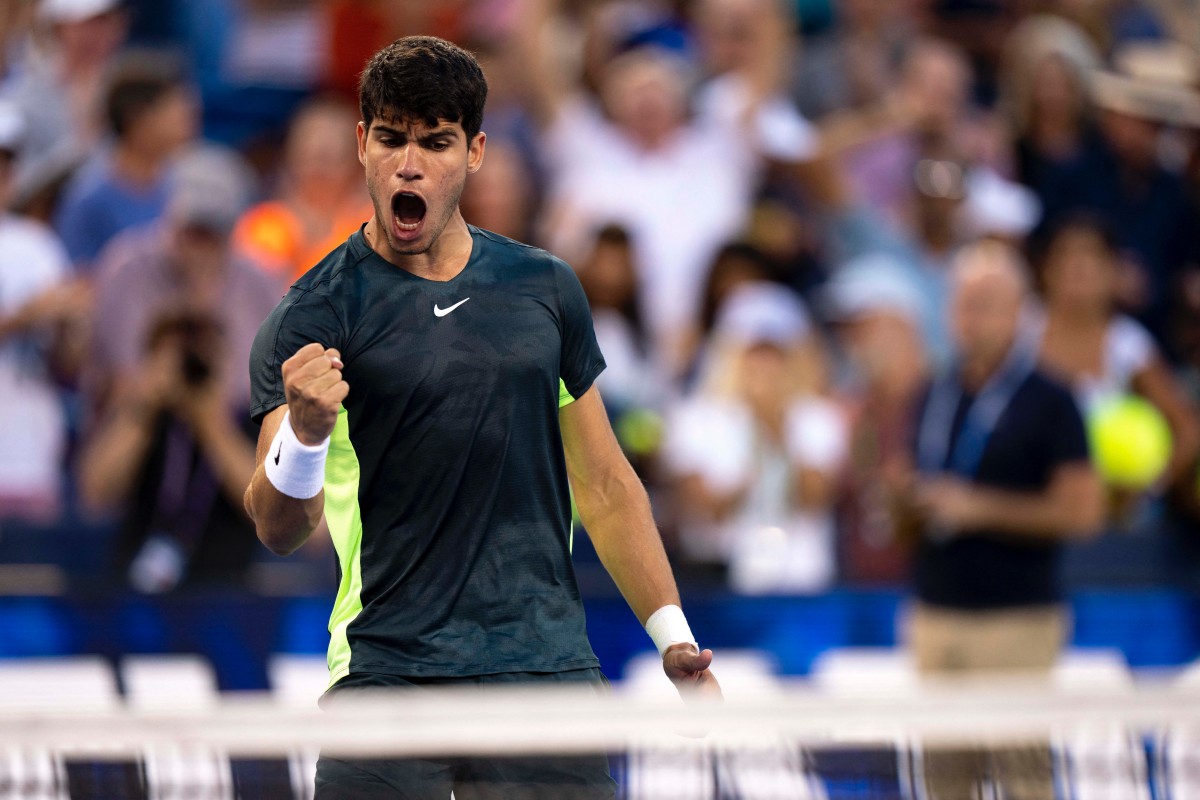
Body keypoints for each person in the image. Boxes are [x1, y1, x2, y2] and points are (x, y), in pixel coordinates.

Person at [244, 37, 720, 799]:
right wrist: (303, 434)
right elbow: (277, 527)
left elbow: (603, 485)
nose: (411, 164)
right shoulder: (312, 312)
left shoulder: (544, 290)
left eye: (436, 142)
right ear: (363, 145)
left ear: (474, 153)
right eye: (393, 139)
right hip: (385, 674)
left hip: (544, 670)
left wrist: (675, 640)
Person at [890, 240, 1104, 800]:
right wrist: (902, 503)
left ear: (1018, 310)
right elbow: (914, 487)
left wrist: (976, 507)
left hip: (1018, 622)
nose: (970, 314)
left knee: (1024, 777)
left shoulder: (1052, 399)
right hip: (936, 614)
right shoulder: (933, 391)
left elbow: (1082, 513)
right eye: (961, 301)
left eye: (985, 300)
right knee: (943, 782)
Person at [78, 147, 276, 592]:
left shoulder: (260, 286)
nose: (198, 247)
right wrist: (145, 402)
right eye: (191, 230)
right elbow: (96, 493)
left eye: (212, 234)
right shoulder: (127, 269)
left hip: (232, 571)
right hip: (134, 554)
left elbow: (272, 512)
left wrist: (209, 419)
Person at [662, 281, 845, 594]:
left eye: (776, 355)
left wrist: (776, 425)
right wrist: (755, 435)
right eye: (752, 354)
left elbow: (815, 498)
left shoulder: (819, 417)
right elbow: (704, 510)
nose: (764, 368)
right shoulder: (693, 418)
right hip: (720, 587)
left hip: (804, 585)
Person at [1032, 215, 1200, 512]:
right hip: (1032, 507)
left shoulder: (1130, 344)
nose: (1079, 265)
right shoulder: (1019, 335)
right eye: (1067, 254)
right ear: (1046, 269)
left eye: (1091, 254)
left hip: (1113, 526)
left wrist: (1147, 489)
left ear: (1113, 272)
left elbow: (1188, 429)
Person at [52, 49, 198, 270]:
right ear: (138, 116)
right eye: (176, 108)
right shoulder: (89, 199)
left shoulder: (187, 186)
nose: (188, 119)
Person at [0, 100, 74, 523]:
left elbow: (66, 364)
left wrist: (72, 323)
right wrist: (25, 316)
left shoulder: (37, 245)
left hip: (28, 453)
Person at [233, 96, 371, 286]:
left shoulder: (370, 226)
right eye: (313, 156)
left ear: (358, 163)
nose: (321, 170)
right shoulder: (265, 224)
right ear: (291, 157)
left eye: (331, 157)